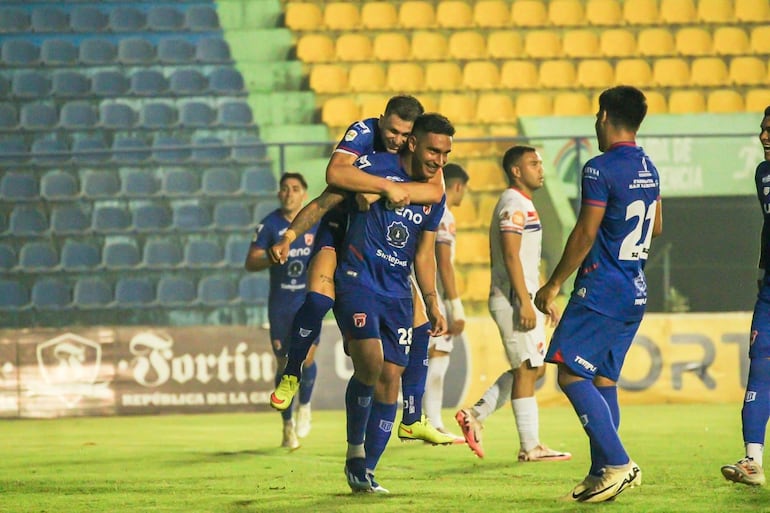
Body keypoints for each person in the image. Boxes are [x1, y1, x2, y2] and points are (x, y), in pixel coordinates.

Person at [269, 96, 455, 445]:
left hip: (379, 253)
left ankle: (413, 417)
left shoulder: (428, 163)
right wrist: (291, 235)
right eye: (392, 130)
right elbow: (330, 188)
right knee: (319, 298)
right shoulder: (365, 144)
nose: (395, 139)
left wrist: (388, 193)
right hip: (338, 230)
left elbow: (433, 193)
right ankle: (292, 372)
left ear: (413, 138)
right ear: (380, 120)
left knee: (421, 322)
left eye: (404, 135)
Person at [533, 86, 662, 503]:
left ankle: (620, 462)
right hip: (634, 288)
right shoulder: (648, 166)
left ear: (604, 116)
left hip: (601, 289)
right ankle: (600, 470)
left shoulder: (599, 168)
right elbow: (655, 226)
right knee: (603, 379)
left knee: (570, 372)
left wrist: (553, 284)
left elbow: (586, 231)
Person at [334, 113, 452, 493]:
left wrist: (432, 301)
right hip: (359, 278)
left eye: (446, 154)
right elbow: (336, 174)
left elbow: (424, 253)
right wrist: (380, 188)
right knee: (369, 362)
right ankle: (354, 450)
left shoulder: (435, 192)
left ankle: (365, 471)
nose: (439, 160)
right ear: (413, 143)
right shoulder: (375, 165)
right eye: (434, 150)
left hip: (399, 290)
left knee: (390, 379)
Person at [454, 146, 571, 463]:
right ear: (516, 171)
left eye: (541, 163)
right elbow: (510, 254)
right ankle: (530, 446)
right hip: (512, 299)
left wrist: (538, 299)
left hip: (522, 297)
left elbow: (524, 259)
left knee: (536, 370)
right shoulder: (513, 203)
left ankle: (475, 415)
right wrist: (522, 301)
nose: (540, 169)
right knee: (527, 369)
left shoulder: (523, 204)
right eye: (533, 164)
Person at [244, 172, 319, 450]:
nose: (289, 193)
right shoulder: (269, 225)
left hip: (308, 300)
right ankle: (287, 425)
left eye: (295, 189)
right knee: (285, 364)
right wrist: (271, 256)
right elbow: (251, 262)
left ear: (304, 195)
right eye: (285, 189)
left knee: (308, 359)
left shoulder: (315, 222)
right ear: (279, 194)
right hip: (281, 304)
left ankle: (306, 406)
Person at [721, 105, 770, 487]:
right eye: (762, 129)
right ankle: (752, 461)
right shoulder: (763, 174)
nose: (764, 137)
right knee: (760, 368)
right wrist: (760, 272)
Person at [422, 163, 469, 442]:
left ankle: (421, 421)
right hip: (434, 296)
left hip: (417, 292)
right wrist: (455, 307)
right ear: (458, 186)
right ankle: (434, 423)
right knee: (438, 358)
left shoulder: (428, 209)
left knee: (422, 359)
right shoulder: (445, 214)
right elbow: (444, 263)